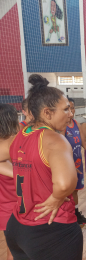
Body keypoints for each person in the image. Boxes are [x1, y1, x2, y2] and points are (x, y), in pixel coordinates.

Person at [0, 74, 83, 259]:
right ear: (47, 113)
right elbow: (64, 184)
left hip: (17, 226)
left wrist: (20, 174)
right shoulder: (55, 140)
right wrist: (56, 198)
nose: (70, 113)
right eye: (66, 109)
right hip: (50, 229)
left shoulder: (21, 135)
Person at [0, 104, 18, 260]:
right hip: (16, 207)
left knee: (12, 249)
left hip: (7, 207)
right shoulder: (13, 145)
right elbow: (24, 176)